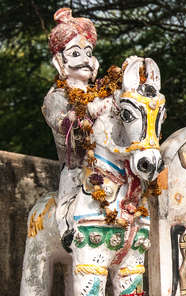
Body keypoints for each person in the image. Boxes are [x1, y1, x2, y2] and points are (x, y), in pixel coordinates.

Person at [42, 7, 105, 249]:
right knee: (69, 190)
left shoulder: (101, 92)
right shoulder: (57, 96)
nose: (85, 59)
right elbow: (62, 126)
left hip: (106, 165)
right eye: (76, 53)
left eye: (88, 52)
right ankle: (67, 229)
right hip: (77, 164)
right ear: (60, 61)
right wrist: (87, 112)